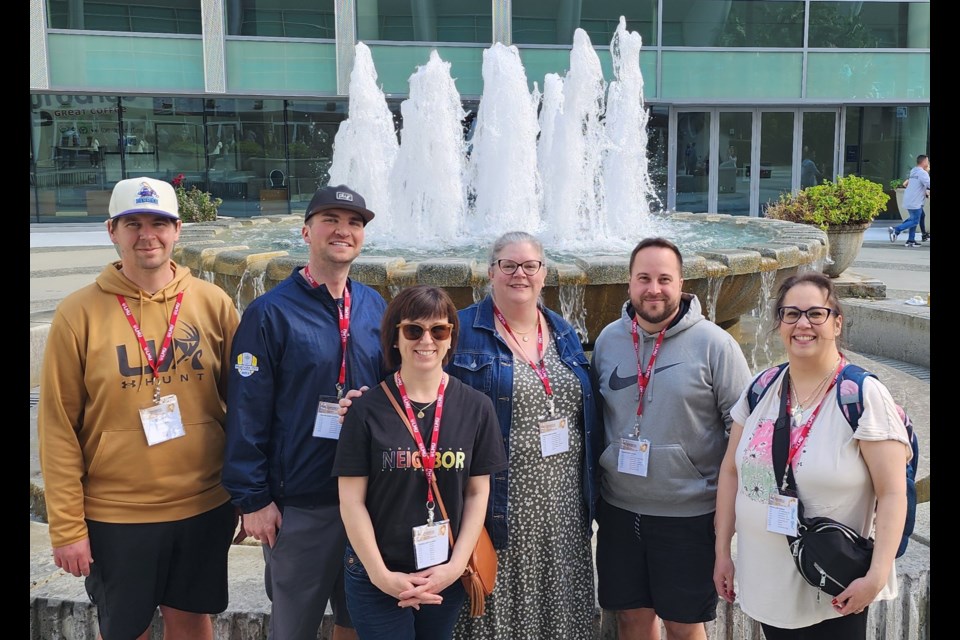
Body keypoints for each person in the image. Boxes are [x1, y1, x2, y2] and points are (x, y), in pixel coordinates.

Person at [37, 176, 240, 640]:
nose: (146, 234)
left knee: (191, 620)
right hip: (117, 513)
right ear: (112, 230)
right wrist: (67, 526)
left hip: (203, 504)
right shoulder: (78, 313)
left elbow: (246, 407)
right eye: (133, 223)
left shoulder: (212, 302)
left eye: (158, 223)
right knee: (126, 630)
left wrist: (247, 494)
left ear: (178, 230)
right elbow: (58, 428)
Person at [223, 184, 386, 640]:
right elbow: (246, 411)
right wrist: (252, 500)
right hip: (300, 503)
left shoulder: (374, 306)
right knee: (294, 627)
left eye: (354, 223)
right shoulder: (269, 313)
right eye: (331, 220)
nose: (343, 230)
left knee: (359, 621)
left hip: (369, 498)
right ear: (306, 231)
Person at [713, 272, 912, 639]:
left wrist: (877, 574)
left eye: (815, 314)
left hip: (833, 586)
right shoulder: (762, 388)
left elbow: (892, 492)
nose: (803, 323)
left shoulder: (861, 395)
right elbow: (730, 472)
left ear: (836, 323)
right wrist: (722, 550)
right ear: (779, 324)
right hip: (768, 582)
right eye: (791, 314)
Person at [590, 237, 752, 640]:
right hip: (620, 511)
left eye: (665, 278)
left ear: (682, 283)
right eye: (643, 278)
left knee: (683, 624)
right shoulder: (609, 340)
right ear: (628, 283)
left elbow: (744, 430)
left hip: (689, 516)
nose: (654, 289)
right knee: (631, 619)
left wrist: (728, 514)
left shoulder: (715, 344)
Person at [449, 231, 603, 639]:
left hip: (563, 510)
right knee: (497, 615)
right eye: (509, 265)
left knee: (561, 616)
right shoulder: (460, 331)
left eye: (530, 265)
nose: (520, 274)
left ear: (543, 273)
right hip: (499, 506)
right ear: (491, 272)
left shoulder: (563, 332)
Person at [334, 285, 508, 640]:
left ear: (450, 339)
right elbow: (350, 500)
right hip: (377, 574)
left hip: (444, 573)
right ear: (395, 338)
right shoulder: (365, 411)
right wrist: (382, 576)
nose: (426, 340)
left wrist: (455, 566)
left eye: (438, 330)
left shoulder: (476, 407)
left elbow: (478, 492)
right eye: (413, 330)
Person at [889, 154, 930, 247]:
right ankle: (896, 230)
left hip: (910, 199)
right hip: (916, 201)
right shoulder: (922, 173)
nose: (928, 163)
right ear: (924, 162)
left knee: (918, 216)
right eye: (927, 161)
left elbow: (915, 185)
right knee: (915, 220)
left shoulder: (913, 171)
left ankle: (911, 240)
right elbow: (928, 184)